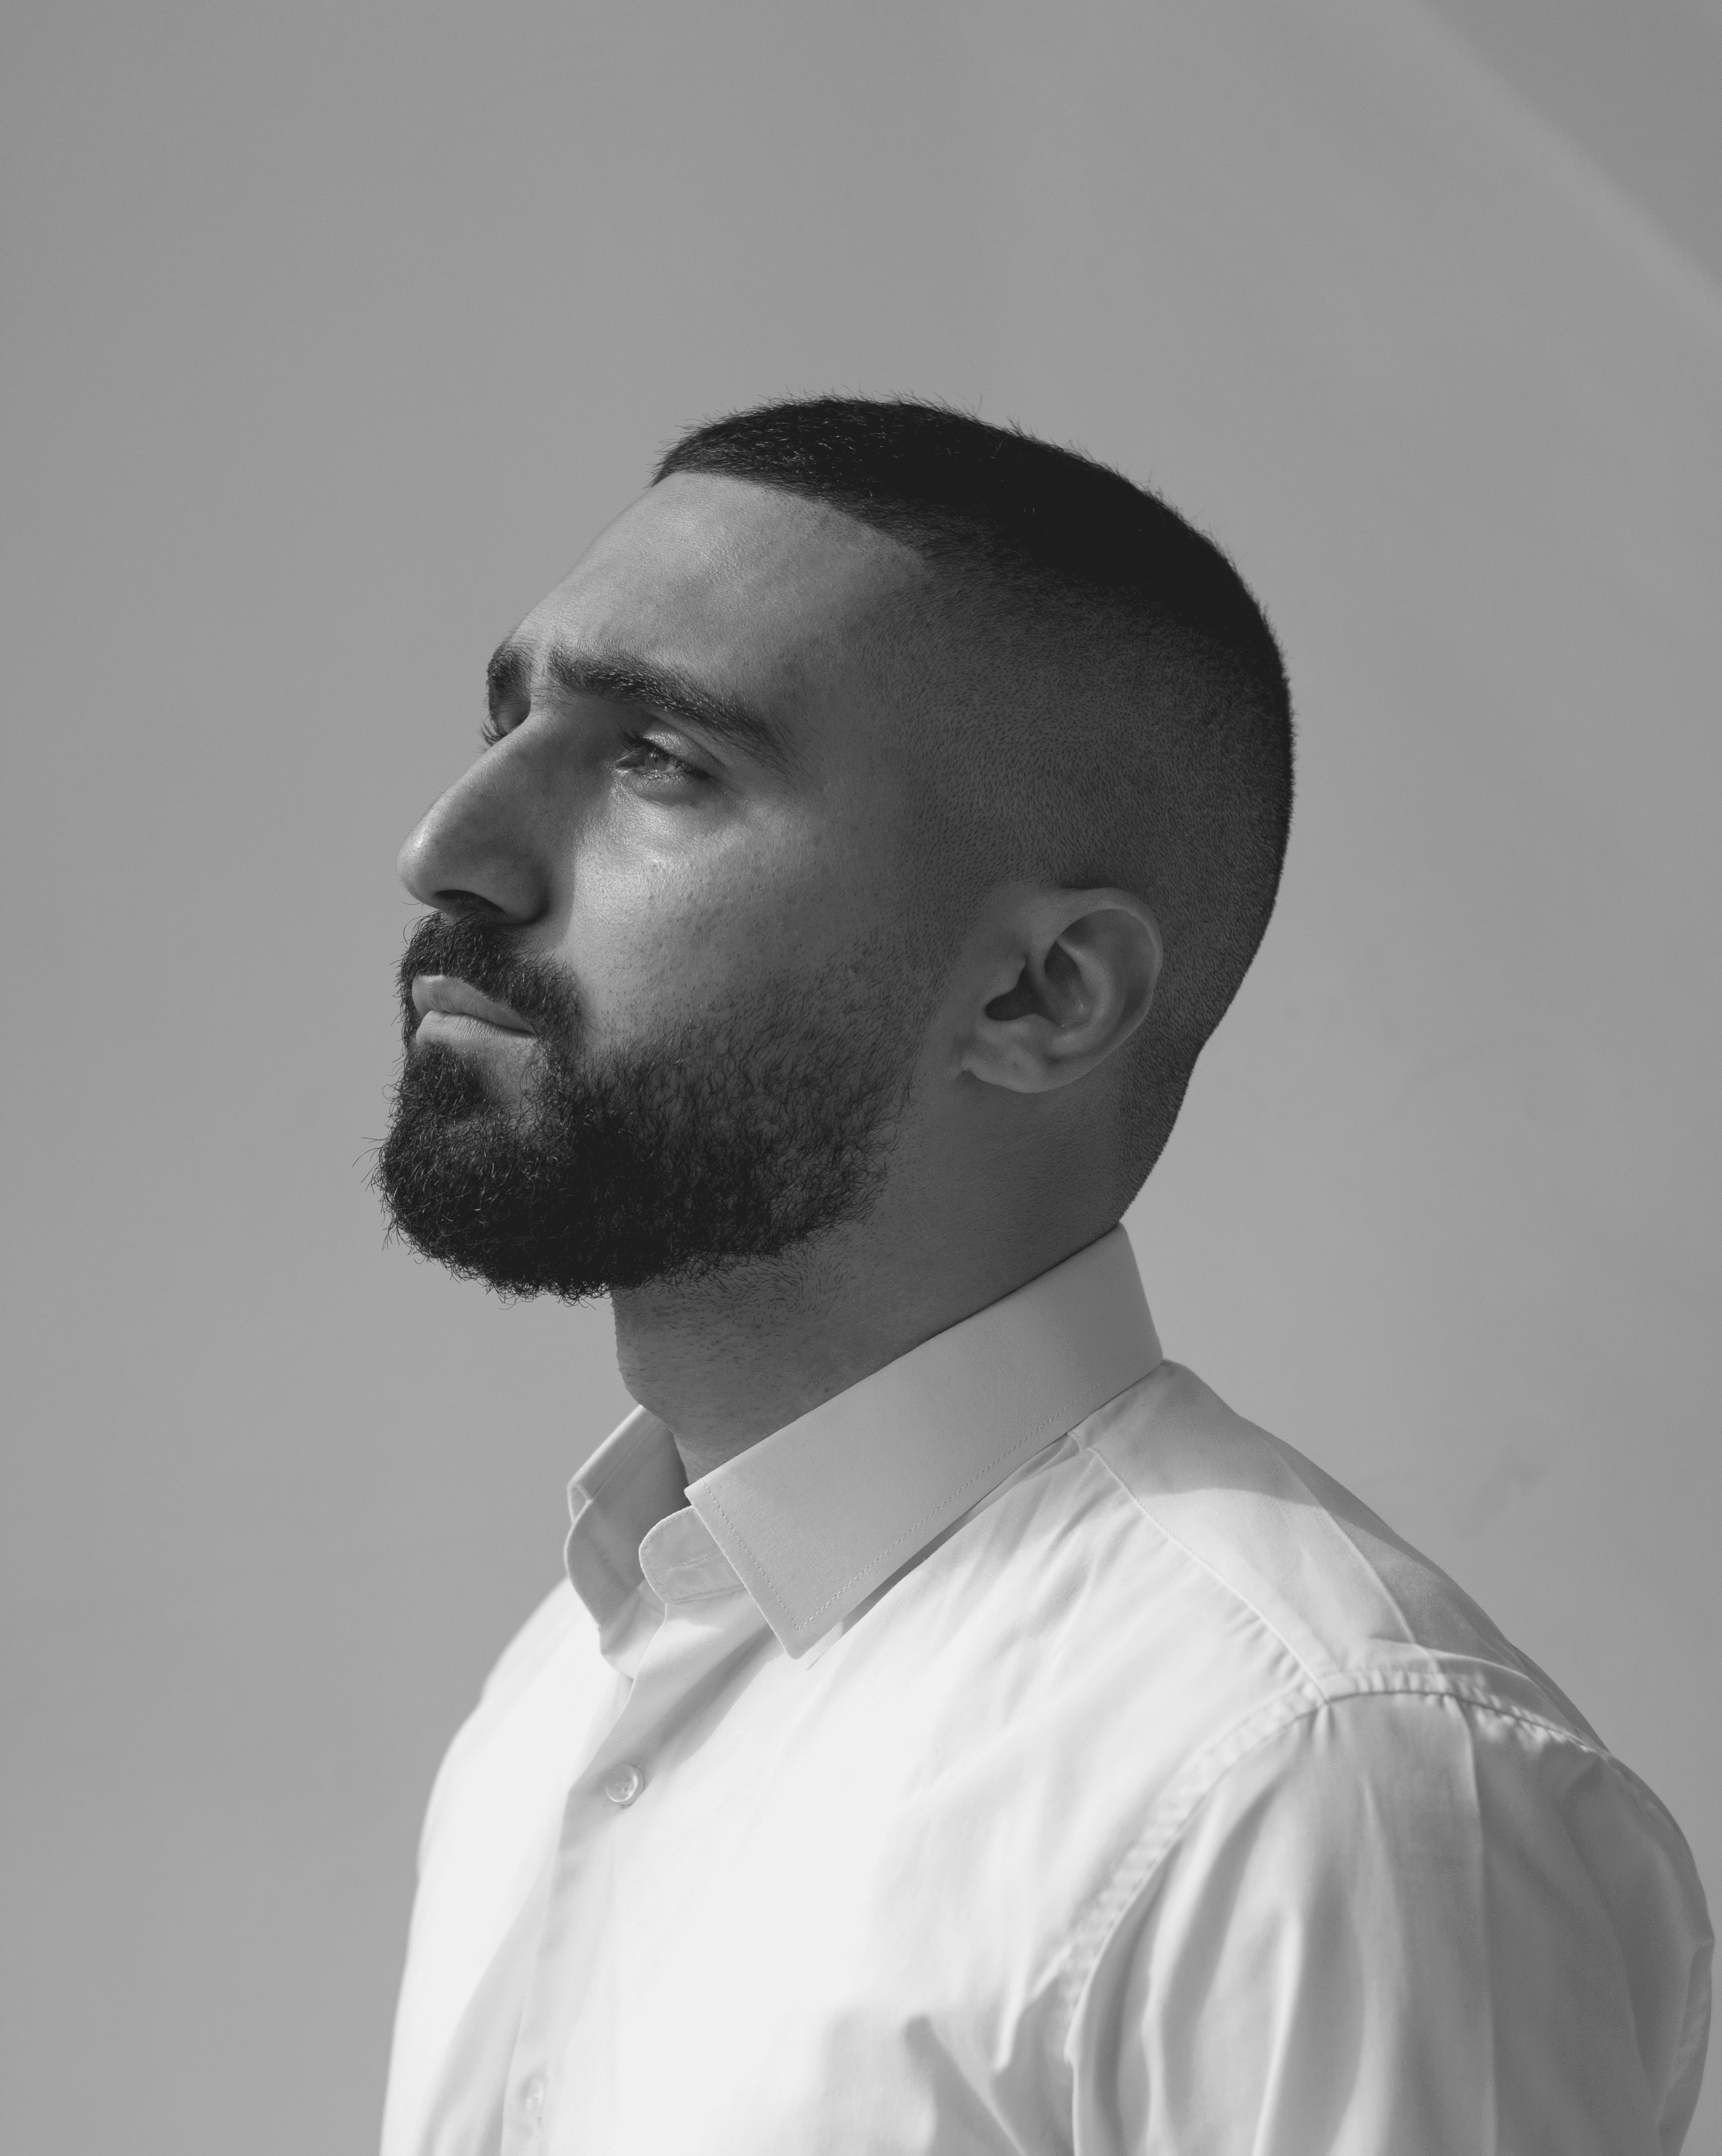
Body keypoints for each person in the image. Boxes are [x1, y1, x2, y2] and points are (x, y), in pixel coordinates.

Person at [374, 398, 1710, 2156]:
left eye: (662, 760)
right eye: (511, 716)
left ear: (1044, 996)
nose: (448, 846)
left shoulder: (1312, 1785)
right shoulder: (561, 1691)